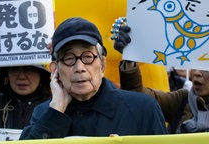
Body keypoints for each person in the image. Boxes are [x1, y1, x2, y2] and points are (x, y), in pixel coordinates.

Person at [19, 17, 167, 140]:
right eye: (69, 58)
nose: (79, 67)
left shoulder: (143, 108)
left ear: (102, 65)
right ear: (55, 69)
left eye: (87, 57)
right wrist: (56, 111)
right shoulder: (44, 113)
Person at [112, 21, 209, 133]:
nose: (197, 72)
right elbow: (139, 97)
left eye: (205, 68)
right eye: (194, 66)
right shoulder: (183, 100)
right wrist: (130, 57)